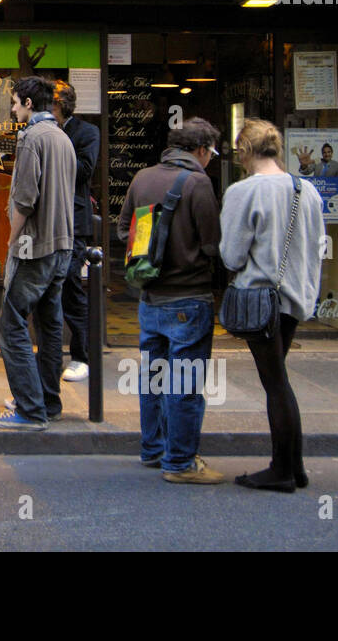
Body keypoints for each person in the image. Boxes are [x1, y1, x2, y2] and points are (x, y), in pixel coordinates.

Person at [221, 119, 325, 493]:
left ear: (245, 151)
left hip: (259, 298)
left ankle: (281, 469)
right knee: (277, 380)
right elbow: (317, 248)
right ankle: (293, 467)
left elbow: (231, 255)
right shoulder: (306, 189)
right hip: (293, 299)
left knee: (275, 384)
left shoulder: (243, 192)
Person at [117, 117, 223, 483]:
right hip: (189, 299)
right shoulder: (197, 182)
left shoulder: (142, 177)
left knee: (154, 377)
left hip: (149, 298)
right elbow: (212, 244)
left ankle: (154, 449)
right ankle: (179, 462)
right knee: (185, 383)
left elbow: (123, 229)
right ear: (201, 149)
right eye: (212, 152)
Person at [0, 76, 75, 431]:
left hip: (34, 245)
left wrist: (12, 240)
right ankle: (47, 402)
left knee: (11, 324)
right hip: (62, 244)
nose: (13, 109)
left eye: (16, 103)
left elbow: (24, 199)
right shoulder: (63, 138)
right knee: (50, 326)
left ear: (28, 103)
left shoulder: (31, 138)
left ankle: (29, 408)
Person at [52, 80, 100, 382]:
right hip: (48, 221)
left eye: (51, 103)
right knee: (50, 288)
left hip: (73, 220)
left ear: (61, 105)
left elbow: (84, 170)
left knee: (71, 286)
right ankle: (51, 351)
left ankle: (82, 355)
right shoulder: (44, 130)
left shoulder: (86, 132)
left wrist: (53, 146)